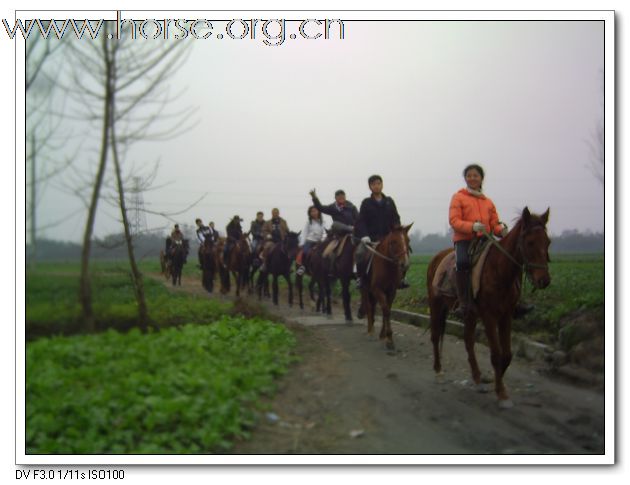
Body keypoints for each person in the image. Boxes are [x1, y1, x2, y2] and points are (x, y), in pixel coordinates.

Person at [449, 163, 508, 318]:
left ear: (481, 178)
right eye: (469, 175)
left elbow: (494, 223)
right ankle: (463, 303)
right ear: (465, 179)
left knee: (507, 260)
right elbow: (454, 221)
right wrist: (472, 227)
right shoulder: (458, 197)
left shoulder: (488, 202)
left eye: (475, 175)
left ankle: (513, 301)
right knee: (461, 262)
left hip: (485, 241)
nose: (472, 178)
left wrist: (501, 230)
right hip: (464, 240)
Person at [354, 174, 409, 289]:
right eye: (373, 184)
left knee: (404, 253)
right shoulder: (366, 203)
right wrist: (364, 235)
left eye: (379, 183)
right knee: (359, 253)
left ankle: (402, 278)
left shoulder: (389, 201)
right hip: (371, 239)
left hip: (388, 238)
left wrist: (397, 229)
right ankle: (360, 278)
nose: (377, 186)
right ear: (370, 187)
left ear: (382, 185)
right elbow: (361, 221)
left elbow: (396, 218)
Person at [297, 206, 327, 276]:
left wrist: (323, 239)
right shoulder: (308, 222)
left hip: (320, 242)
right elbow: (304, 233)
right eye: (312, 211)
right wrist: (302, 243)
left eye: (315, 211)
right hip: (310, 241)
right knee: (305, 252)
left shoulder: (323, 222)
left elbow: (325, 232)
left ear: (319, 212)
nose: (314, 213)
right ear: (310, 213)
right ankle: (303, 267)